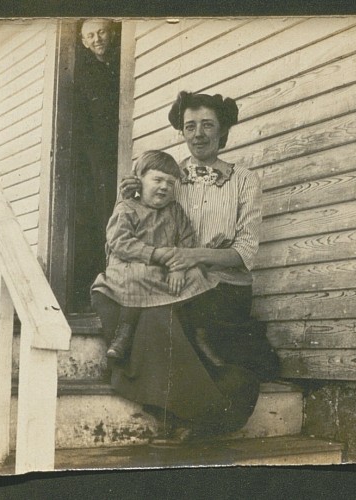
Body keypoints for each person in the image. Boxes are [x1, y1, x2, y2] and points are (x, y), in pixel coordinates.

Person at [92, 91, 276, 444]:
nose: (198, 133)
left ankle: (203, 410)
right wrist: (127, 198)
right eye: (190, 126)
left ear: (223, 131)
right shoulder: (168, 175)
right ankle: (181, 407)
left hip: (223, 283)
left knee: (160, 315)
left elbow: (245, 253)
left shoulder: (244, 181)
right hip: (170, 277)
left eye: (208, 125)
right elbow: (138, 223)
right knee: (135, 304)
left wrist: (194, 257)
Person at [92, 150, 218, 360]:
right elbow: (119, 242)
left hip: (165, 268)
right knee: (136, 276)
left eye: (170, 183)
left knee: (197, 274)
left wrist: (178, 268)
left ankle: (198, 334)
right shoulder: (127, 208)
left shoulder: (175, 211)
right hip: (130, 264)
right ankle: (124, 331)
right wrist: (155, 254)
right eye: (157, 180)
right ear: (139, 181)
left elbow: (187, 240)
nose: (164, 187)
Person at [71, 19, 121, 311]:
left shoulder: (119, 64)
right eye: (90, 35)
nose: (97, 38)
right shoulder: (84, 72)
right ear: (84, 42)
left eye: (101, 32)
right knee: (102, 216)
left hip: (120, 148)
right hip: (97, 157)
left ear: (111, 33)